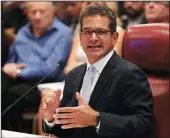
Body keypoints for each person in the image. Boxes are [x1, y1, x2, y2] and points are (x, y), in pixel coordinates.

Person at [41, 5, 153, 138]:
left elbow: (143, 126)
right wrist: (52, 118)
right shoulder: (73, 75)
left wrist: (97, 119)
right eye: (87, 32)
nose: (93, 38)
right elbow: (69, 128)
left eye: (100, 32)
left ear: (114, 38)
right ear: (81, 38)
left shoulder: (130, 74)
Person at [1, 2, 72, 131]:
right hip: (15, 77)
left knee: (7, 97)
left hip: (42, 82)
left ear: (52, 11)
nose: (37, 16)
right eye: (33, 12)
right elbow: (11, 60)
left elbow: (52, 69)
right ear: (27, 13)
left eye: (42, 12)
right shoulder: (23, 32)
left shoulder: (63, 33)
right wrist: (10, 67)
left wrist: (20, 72)